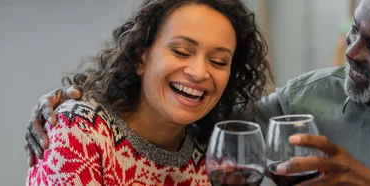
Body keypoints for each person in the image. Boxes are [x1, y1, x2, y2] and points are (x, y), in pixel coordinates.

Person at [25, 0, 370, 185]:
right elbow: (194, 112)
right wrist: (77, 104)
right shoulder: (302, 101)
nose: (351, 52)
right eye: (353, 30)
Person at [25, 0, 271, 185]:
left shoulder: (214, 157)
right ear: (141, 57)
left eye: (218, 61)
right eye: (182, 51)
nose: (199, 73)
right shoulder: (78, 130)